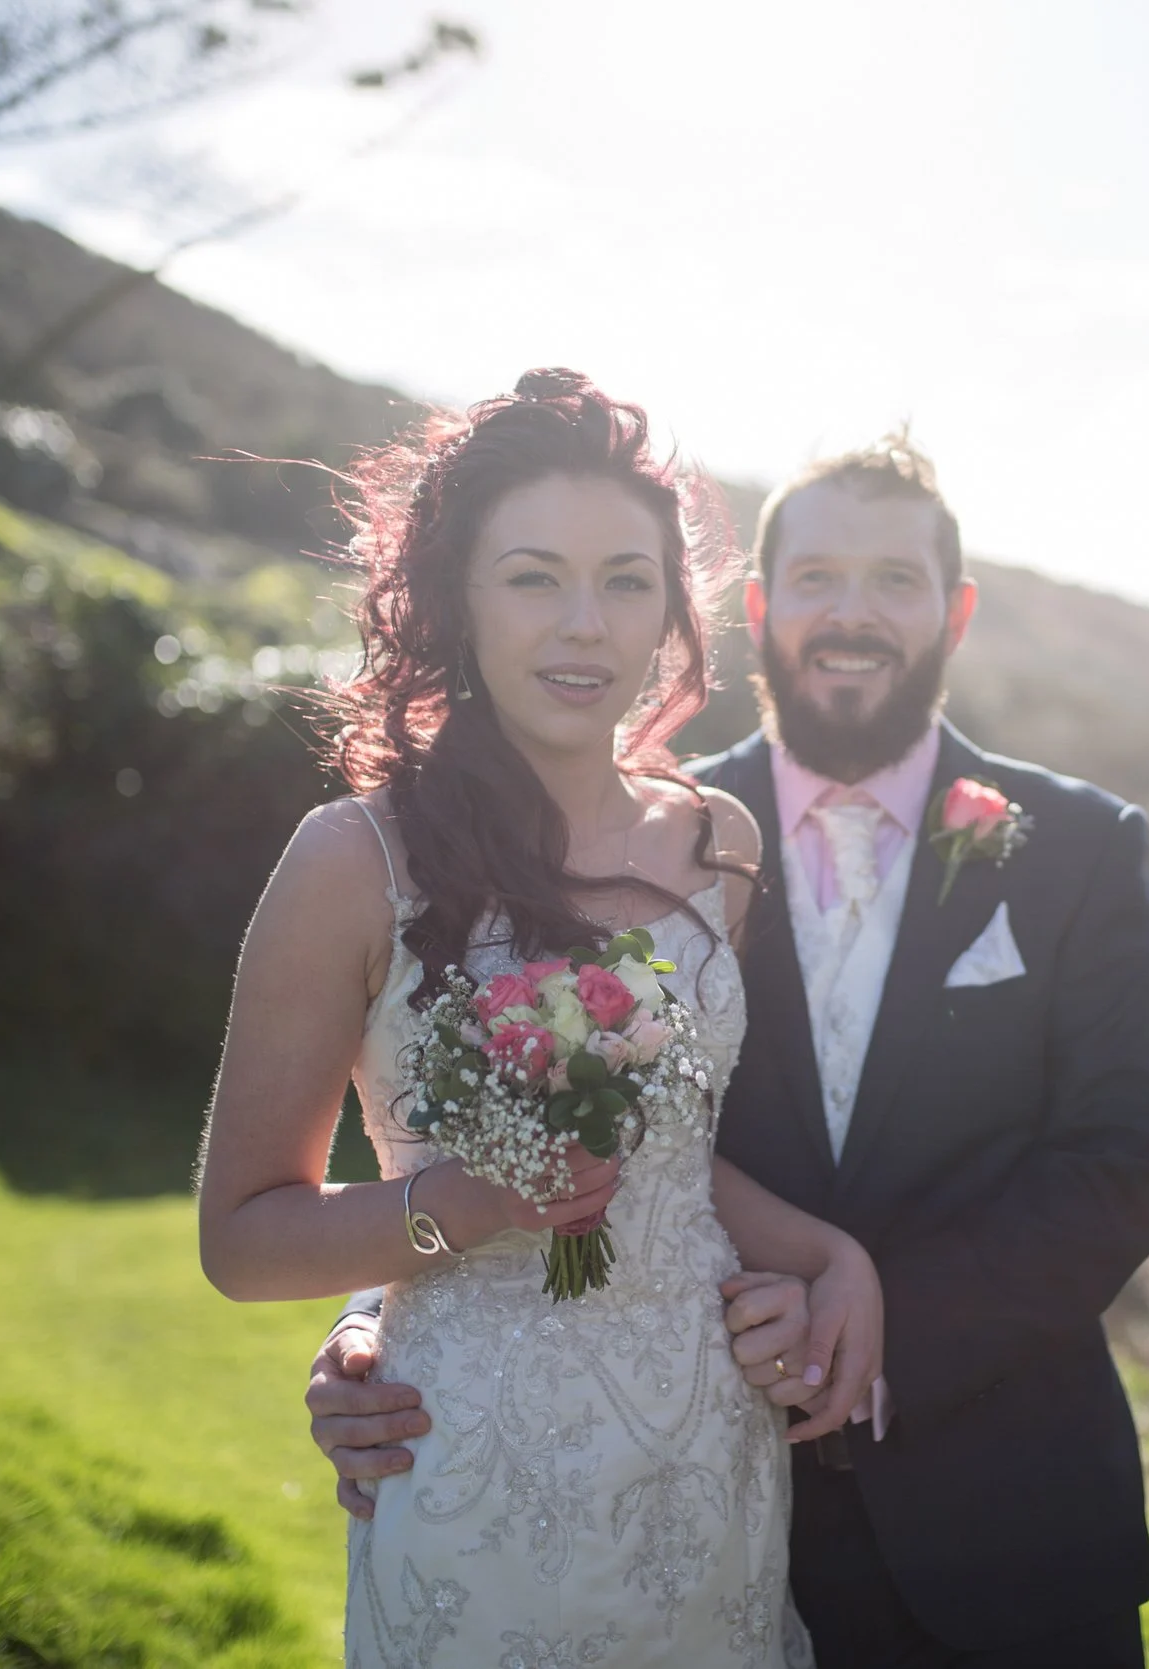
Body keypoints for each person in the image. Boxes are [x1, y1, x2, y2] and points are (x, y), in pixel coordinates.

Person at [310, 433, 1149, 1665]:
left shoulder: (1083, 849)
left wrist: (884, 1324)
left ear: (957, 611)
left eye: (895, 579)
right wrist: (379, 1327)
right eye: (819, 576)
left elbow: (1118, 1168)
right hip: (700, 1503)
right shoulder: (647, 837)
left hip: (1013, 1525)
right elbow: (541, 1115)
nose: (853, 613)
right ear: (761, 605)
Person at [197, 370, 881, 1667]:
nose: (587, 625)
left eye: (627, 579)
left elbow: (671, 1163)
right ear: (457, 595)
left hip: (707, 1458)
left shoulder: (718, 846)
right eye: (534, 576)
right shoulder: (353, 861)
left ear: (674, 608)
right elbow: (242, 1239)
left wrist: (832, 1256)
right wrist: (482, 1200)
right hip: (472, 1472)